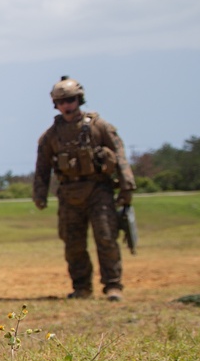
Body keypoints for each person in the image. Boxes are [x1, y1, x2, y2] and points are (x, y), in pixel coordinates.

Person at [32, 76, 135, 302]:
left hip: (99, 190)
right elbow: (42, 168)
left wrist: (126, 187)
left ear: (79, 99)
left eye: (70, 100)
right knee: (73, 243)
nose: (66, 105)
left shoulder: (100, 127)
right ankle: (82, 287)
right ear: (55, 105)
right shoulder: (51, 136)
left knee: (106, 238)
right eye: (61, 101)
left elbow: (120, 156)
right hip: (69, 193)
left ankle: (112, 286)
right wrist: (39, 194)